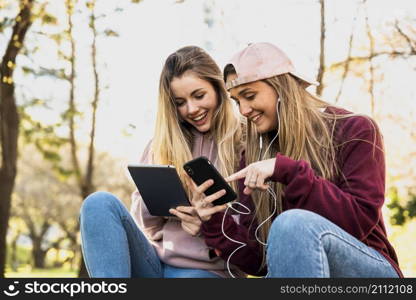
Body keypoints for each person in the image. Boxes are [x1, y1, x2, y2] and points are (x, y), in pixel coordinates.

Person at [190, 42, 403, 278]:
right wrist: (214, 220)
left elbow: (359, 223)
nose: (244, 110)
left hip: (370, 270)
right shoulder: (254, 156)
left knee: (291, 224)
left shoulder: (354, 129)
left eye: (249, 96)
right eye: (237, 101)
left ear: (282, 88)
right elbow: (261, 262)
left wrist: (289, 172)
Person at [80, 46, 244, 278]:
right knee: (98, 204)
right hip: (155, 262)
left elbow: (252, 234)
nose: (191, 109)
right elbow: (147, 226)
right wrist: (160, 201)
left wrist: (207, 224)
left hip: (209, 271)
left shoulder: (244, 144)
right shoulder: (161, 145)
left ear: (218, 89)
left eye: (199, 96)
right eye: (179, 102)